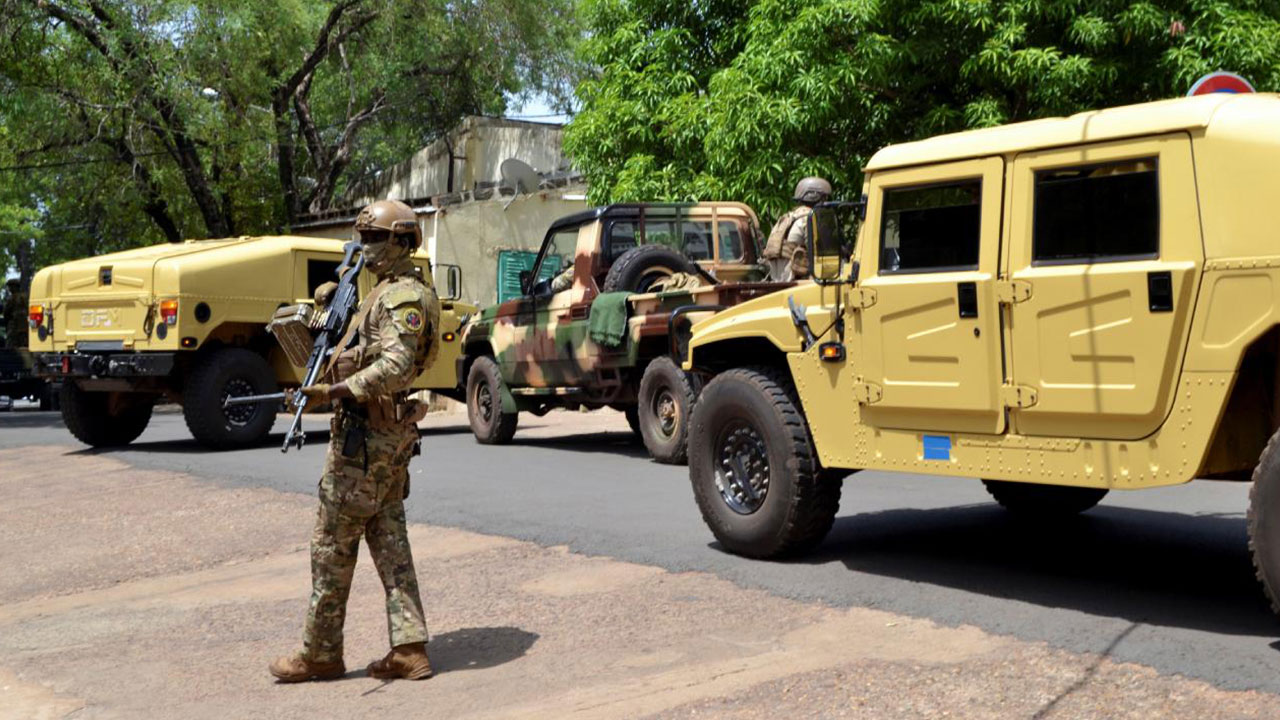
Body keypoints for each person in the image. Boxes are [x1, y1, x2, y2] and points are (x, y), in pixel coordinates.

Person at [269, 199, 441, 683]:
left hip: (366, 442)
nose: (365, 249)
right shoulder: (386, 292)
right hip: (385, 440)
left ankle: (320, 654)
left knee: (331, 545)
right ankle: (409, 648)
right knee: (390, 543)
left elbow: (396, 365)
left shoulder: (400, 299)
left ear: (403, 241)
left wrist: (341, 389)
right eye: (362, 239)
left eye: (374, 240)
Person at [762, 177, 832, 281]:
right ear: (816, 197)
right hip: (794, 279)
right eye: (825, 198)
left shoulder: (788, 218)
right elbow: (816, 252)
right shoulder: (809, 218)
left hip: (776, 279)